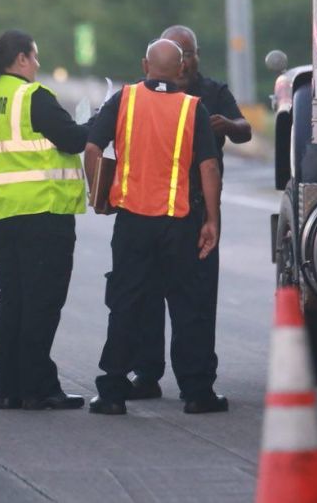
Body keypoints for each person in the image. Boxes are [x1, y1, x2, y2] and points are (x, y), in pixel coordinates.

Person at [85, 38, 228, 415]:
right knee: (188, 307)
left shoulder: (123, 100)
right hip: (179, 223)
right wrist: (212, 219)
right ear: (181, 69)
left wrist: (98, 196)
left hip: (132, 223)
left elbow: (92, 148)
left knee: (126, 304)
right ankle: (197, 393)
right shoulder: (192, 108)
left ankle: (112, 392)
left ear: (145, 64)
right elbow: (208, 167)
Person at [126, 25, 252, 400]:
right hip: (149, 208)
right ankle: (146, 374)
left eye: (190, 52)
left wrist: (227, 125)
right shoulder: (139, 94)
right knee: (145, 298)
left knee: (195, 302)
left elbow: (243, 130)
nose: (184, 60)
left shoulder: (212, 93)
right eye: (178, 52)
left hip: (193, 210)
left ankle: (197, 383)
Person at [0, 29, 89, 411]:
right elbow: (71, 140)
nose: (37, 64)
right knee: (42, 302)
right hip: (43, 213)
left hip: (1, 214)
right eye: (34, 57)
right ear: (20, 59)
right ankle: (39, 387)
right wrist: (98, 122)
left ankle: (11, 388)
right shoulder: (32, 97)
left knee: (13, 300)